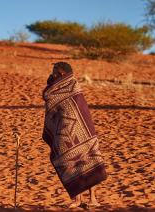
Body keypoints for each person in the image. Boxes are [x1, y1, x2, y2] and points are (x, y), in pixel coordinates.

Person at [42, 62, 107, 208]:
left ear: (63, 73)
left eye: (55, 72)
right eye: (52, 71)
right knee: (69, 162)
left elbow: (79, 107)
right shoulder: (53, 88)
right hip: (63, 130)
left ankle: (93, 199)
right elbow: (49, 99)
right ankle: (77, 199)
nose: (53, 74)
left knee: (90, 160)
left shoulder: (73, 86)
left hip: (83, 130)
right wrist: (51, 83)